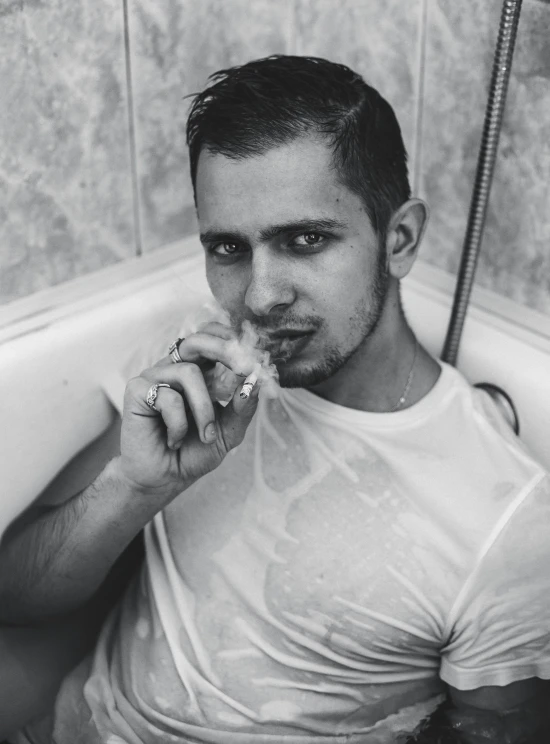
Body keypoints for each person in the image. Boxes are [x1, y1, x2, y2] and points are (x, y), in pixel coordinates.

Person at [1, 55, 550, 744]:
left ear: (400, 239)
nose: (259, 296)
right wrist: (135, 487)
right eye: (229, 248)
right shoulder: (189, 364)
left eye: (305, 240)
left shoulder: (507, 525)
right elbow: (11, 596)